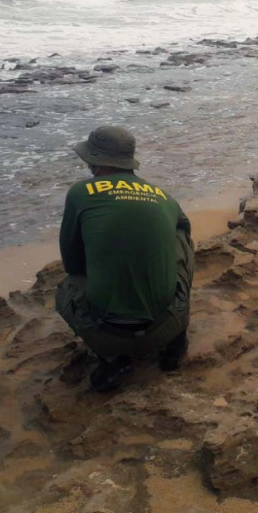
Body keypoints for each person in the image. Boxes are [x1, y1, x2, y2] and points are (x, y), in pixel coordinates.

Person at [55, 125, 195, 392]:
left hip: (106, 336)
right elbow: (183, 231)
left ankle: (112, 360)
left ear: (93, 160)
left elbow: (72, 265)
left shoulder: (80, 193)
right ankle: (176, 341)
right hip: (165, 325)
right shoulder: (164, 197)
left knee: (65, 289)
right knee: (181, 237)